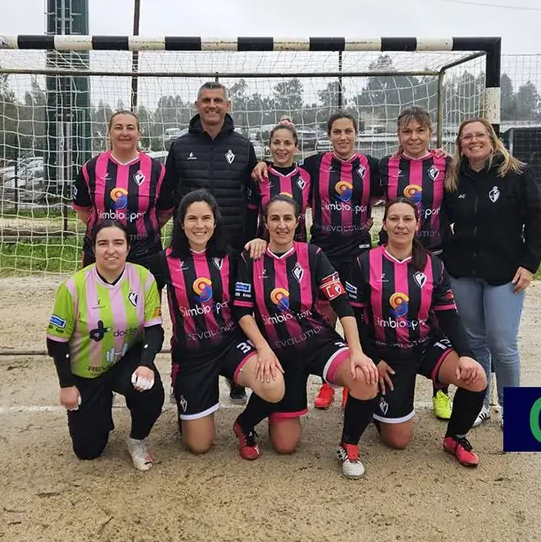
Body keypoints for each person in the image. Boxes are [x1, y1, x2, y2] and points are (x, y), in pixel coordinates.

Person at [231, 194, 380, 479]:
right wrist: (262, 349)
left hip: (317, 341)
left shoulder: (312, 254)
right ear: (265, 222)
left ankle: (349, 445)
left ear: (299, 220)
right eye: (274, 218)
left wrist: (357, 351)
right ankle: (244, 423)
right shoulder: (251, 257)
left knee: (364, 376)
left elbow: (342, 304)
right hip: (279, 351)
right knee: (286, 445)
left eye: (288, 218)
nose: (282, 225)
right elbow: (242, 312)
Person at [346, 197, 489, 471]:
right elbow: (353, 319)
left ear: (417, 224)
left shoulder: (434, 265)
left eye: (407, 219)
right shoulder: (365, 263)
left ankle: (455, 438)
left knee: (476, 376)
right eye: (394, 219)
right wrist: (373, 357)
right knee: (398, 441)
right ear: (384, 224)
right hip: (388, 354)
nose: (401, 225)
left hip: (425, 346)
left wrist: (467, 355)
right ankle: (378, 401)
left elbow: (448, 315)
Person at [256, 112, 384, 410]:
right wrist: (261, 164)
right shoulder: (315, 165)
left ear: (356, 133)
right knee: (324, 315)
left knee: (498, 343)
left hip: (361, 248)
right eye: (337, 132)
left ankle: (506, 416)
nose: (343, 137)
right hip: (325, 247)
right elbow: (283, 168)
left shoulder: (372, 166)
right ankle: (331, 380)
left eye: (348, 131)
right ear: (329, 135)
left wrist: (521, 260)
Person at [440, 118, 541, 429]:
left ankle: (514, 409)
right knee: (474, 342)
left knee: (502, 343)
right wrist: (449, 258)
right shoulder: (454, 177)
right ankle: (481, 403)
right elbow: (443, 222)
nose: (473, 141)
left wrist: (529, 265)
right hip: (463, 273)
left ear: (491, 138)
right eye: (466, 137)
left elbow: (537, 224)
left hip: (505, 274)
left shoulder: (516, 173)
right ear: (459, 144)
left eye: (479, 135)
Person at [163, 189, 285, 458]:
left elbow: (246, 304)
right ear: (181, 222)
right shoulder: (165, 260)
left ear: (215, 222)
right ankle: (188, 407)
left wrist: (260, 242)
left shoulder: (232, 258)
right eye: (192, 218)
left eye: (206, 218)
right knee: (199, 446)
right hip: (192, 356)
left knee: (274, 385)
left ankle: (244, 423)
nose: (199, 225)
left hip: (229, 345)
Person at [161, 82, 260, 405]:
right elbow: (167, 197)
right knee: (186, 314)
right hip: (191, 251)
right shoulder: (179, 146)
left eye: (218, 100)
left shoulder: (244, 147)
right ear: (197, 104)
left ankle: (236, 378)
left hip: (233, 247)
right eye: (206, 100)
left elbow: (257, 196)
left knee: (237, 311)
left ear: (228, 105)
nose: (212, 105)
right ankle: (182, 375)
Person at [45, 221, 166, 471]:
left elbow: (154, 329)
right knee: (88, 451)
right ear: (94, 248)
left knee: (150, 389)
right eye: (103, 243)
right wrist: (66, 385)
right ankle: (99, 406)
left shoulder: (143, 278)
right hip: (86, 370)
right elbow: (56, 342)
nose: (111, 250)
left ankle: (137, 440)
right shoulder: (73, 287)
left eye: (118, 243)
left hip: (125, 360)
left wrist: (145, 365)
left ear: (128, 247)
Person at [380, 106, 454, 420]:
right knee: (388, 321)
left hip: (434, 254)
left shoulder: (446, 163)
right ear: (399, 135)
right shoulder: (385, 166)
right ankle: (383, 387)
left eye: (420, 131)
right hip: (392, 257)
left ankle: (441, 391)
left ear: (430, 133)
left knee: (436, 322)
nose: (414, 137)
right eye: (407, 131)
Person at [72, 110, 174, 290]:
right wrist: (107, 234)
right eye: (118, 127)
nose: (124, 133)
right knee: (97, 306)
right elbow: (83, 210)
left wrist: (140, 229)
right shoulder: (91, 168)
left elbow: (164, 212)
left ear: (139, 133)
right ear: (109, 133)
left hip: (145, 251)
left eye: (130, 128)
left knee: (145, 310)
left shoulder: (157, 170)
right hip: (102, 250)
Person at [253, 121, 311, 242]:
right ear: (270, 145)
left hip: (298, 248)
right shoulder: (260, 175)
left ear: (295, 147)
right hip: (265, 247)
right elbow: (250, 216)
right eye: (276, 142)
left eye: (287, 143)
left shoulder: (306, 176)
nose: (281, 148)